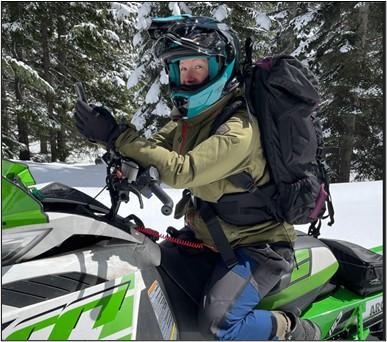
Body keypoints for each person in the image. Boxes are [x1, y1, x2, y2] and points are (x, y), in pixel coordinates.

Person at [74, 15, 321, 340]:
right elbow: (154, 148)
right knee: (150, 278)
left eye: (198, 68)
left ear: (220, 67)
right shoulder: (191, 118)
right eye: (181, 69)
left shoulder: (239, 130)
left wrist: (117, 136)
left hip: (258, 247)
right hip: (209, 236)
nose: (188, 78)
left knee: (219, 327)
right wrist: (118, 148)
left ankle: (293, 329)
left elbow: (181, 170)